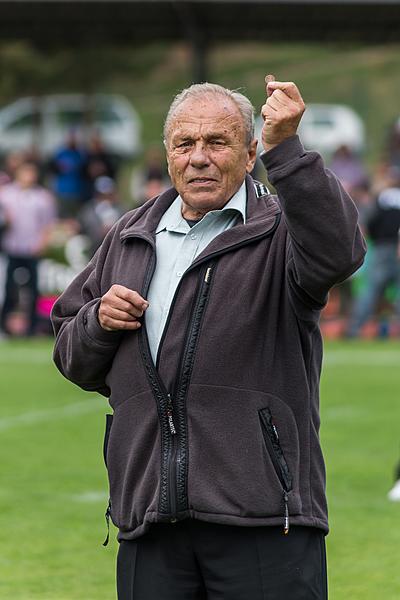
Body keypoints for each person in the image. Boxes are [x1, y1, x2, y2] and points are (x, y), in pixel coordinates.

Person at [51, 76, 365, 600]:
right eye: (184, 144)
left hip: (265, 519)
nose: (199, 157)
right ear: (167, 155)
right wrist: (98, 322)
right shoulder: (130, 235)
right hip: (150, 520)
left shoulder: (281, 230)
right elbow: (71, 353)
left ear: (249, 155)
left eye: (216, 143)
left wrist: (287, 150)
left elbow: (340, 251)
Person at [0, 161, 56, 336]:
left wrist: (42, 243)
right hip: (12, 247)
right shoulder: (6, 195)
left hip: (32, 248)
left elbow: (48, 224)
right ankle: (4, 327)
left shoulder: (43, 197)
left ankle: (31, 328)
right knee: (9, 289)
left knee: (32, 291)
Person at [346, 165, 400, 338]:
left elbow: (367, 225)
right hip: (395, 247)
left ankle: (354, 329)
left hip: (381, 248)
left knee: (370, 291)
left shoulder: (380, 199)